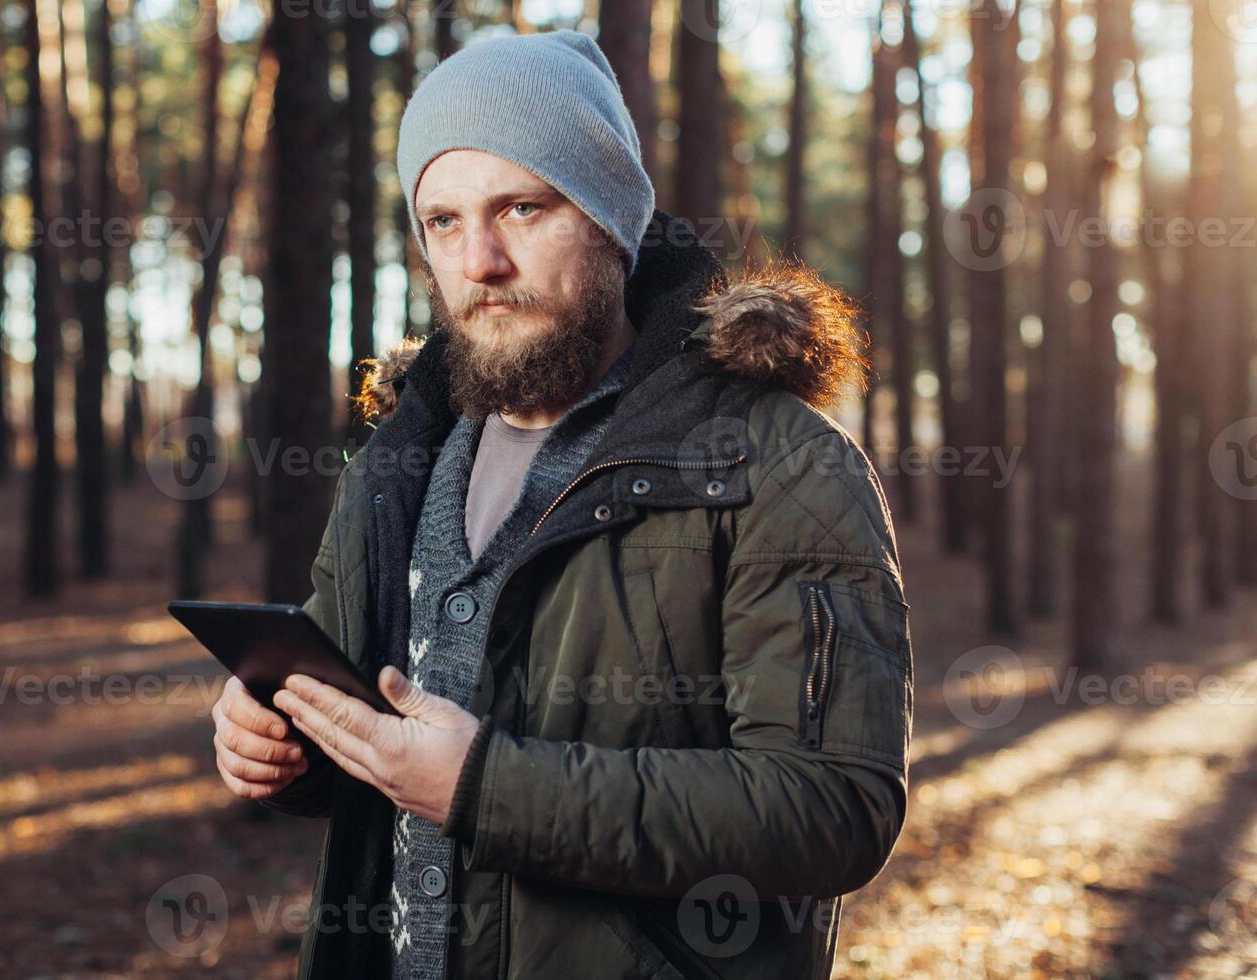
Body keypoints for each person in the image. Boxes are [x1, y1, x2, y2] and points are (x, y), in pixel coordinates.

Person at [211, 29, 912, 980]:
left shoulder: (775, 465)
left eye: (520, 208)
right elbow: (377, 747)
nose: (481, 260)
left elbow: (831, 809)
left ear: (610, 218)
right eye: (444, 222)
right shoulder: (397, 464)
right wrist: (283, 745)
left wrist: (483, 785)